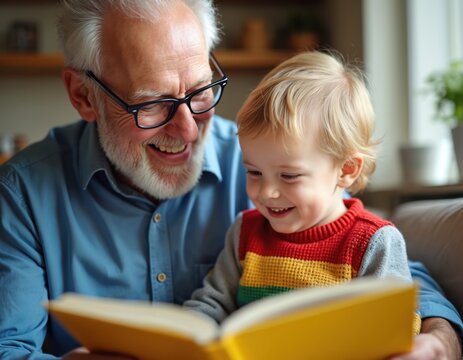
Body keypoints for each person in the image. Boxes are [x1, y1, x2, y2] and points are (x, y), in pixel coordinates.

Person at [0, 0, 460, 359]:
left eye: (201, 91)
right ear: (83, 96)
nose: (186, 130)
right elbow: (9, 347)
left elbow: (383, 263)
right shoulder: (22, 194)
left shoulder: (266, 155)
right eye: (152, 104)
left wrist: (439, 337)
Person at [184, 50, 424, 334]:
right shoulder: (245, 232)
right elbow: (213, 303)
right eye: (254, 172)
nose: (267, 192)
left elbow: (396, 326)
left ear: (347, 169)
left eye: (289, 176)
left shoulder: (372, 242)